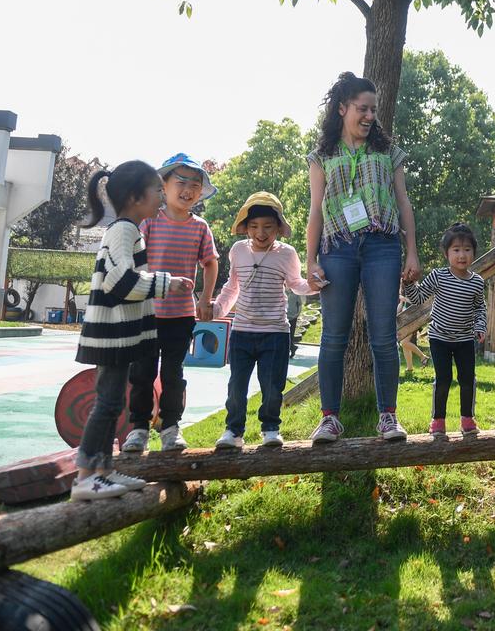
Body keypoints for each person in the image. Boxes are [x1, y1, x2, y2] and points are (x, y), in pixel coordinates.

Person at [306, 72, 421, 443]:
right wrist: (311, 260)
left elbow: (404, 202)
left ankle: (388, 416)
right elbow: (316, 211)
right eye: (362, 108)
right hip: (336, 248)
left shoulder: (388, 152)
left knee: (384, 336)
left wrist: (412, 252)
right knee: (333, 337)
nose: (370, 115)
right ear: (342, 108)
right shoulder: (323, 155)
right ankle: (330, 419)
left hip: (382, 247)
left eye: (373, 109)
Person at [71, 162, 193, 500]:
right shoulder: (123, 230)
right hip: (110, 334)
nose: (161, 198)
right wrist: (166, 283)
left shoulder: (129, 229)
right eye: (157, 191)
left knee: (112, 403)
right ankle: (86, 476)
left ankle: (102, 472)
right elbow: (120, 282)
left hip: (119, 334)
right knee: (107, 403)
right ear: (135, 197)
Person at [122, 153, 218, 454]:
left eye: (195, 184)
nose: (188, 189)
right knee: (142, 372)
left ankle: (170, 427)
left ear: (200, 192)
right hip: (146, 312)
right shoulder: (150, 222)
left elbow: (210, 263)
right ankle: (137, 428)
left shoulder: (200, 227)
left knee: (173, 373)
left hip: (181, 315)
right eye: (181, 182)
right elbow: (134, 258)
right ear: (164, 185)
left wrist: (205, 298)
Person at [212, 192, 317, 450]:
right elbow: (232, 286)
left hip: (275, 332)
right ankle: (233, 431)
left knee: (272, 386)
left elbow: (296, 284)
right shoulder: (238, 251)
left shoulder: (286, 254)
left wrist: (314, 286)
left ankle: (270, 428)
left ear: (278, 229)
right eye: (254, 226)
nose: (261, 232)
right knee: (237, 384)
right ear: (246, 228)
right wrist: (217, 309)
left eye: (268, 227)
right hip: (242, 331)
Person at [402, 223, 488, 438]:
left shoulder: (477, 282)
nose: (462, 255)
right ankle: (438, 420)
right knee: (444, 378)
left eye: (467, 249)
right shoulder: (439, 276)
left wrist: (480, 326)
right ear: (446, 253)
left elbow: (480, 308)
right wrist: (409, 284)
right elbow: (418, 298)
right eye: (456, 250)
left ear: (474, 252)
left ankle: (467, 419)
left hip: (465, 339)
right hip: (439, 338)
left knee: (468, 378)